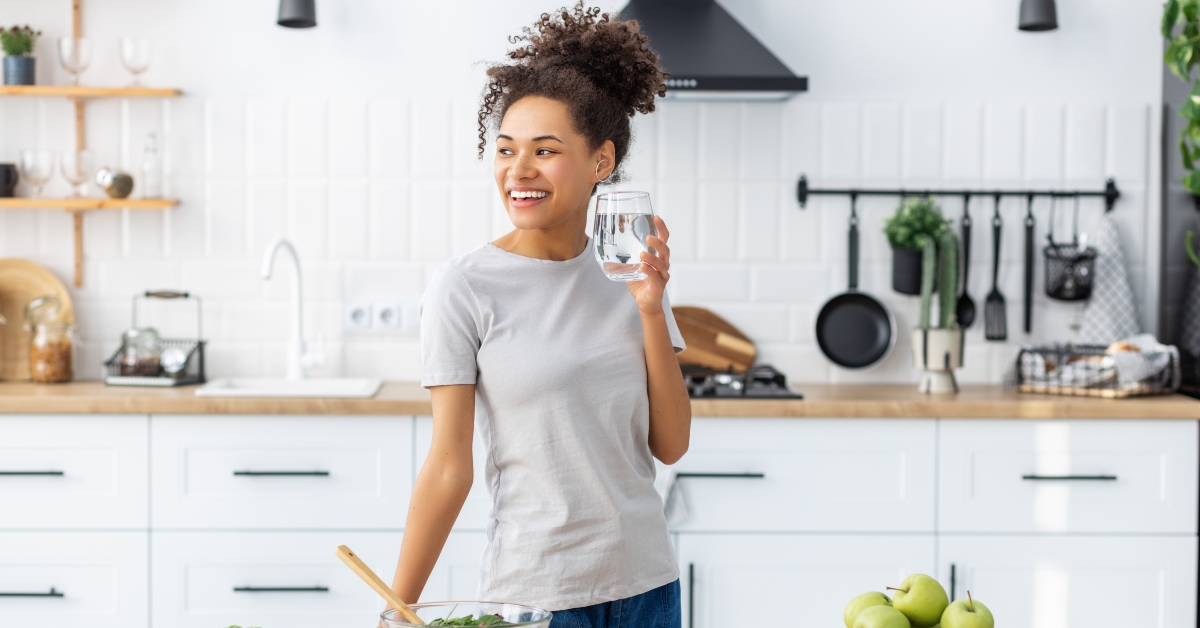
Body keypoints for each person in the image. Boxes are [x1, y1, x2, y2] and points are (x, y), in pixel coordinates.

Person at [386, 3, 691, 627]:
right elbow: (448, 466)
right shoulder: (465, 287)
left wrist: (651, 310)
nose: (518, 171)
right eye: (505, 150)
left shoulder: (629, 274)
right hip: (537, 596)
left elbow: (671, 444)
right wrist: (398, 607)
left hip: (648, 585)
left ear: (600, 161)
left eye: (545, 151)